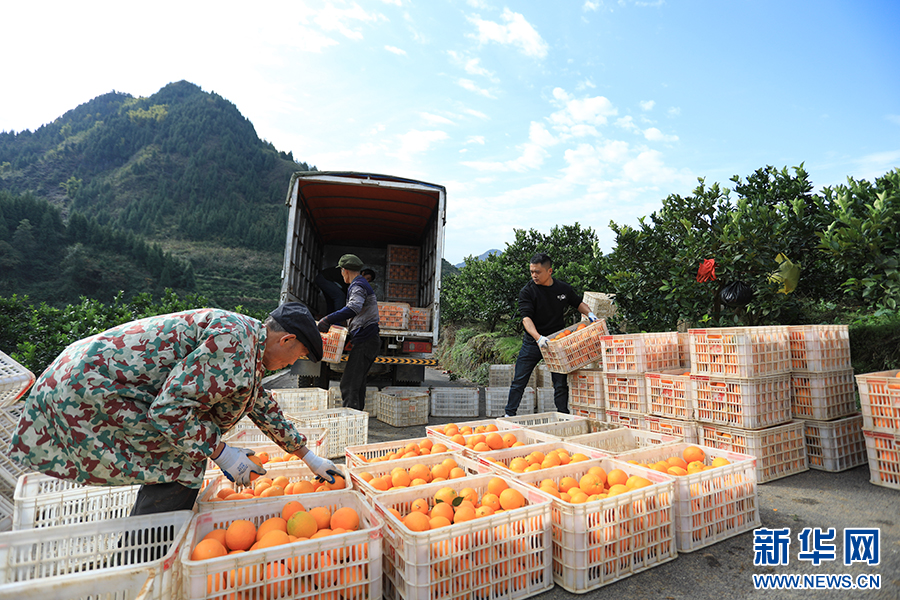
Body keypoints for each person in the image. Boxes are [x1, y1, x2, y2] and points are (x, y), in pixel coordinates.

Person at [8, 302, 340, 516]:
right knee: (182, 461)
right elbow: (170, 411)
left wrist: (307, 456)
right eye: (296, 356)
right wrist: (222, 452)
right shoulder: (233, 344)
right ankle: (144, 561)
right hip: (89, 388)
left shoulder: (247, 342)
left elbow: (259, 402)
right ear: (286, 340)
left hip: (90, 379)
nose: (293, 362)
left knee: (183, 455)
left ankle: (144, 552)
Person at [505, 253, 599, 416]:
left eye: (538, 272)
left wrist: (590, 314)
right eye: (532, 271)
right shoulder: (527, 292)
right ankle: (509, 413)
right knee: (520, 379)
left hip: (557, 341)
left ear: (549, 271)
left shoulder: (563, 289)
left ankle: (563, 414)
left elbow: (577, 303)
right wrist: (538, 338)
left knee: (560, 382)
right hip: (534, 342)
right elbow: (526, 319)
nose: (534, 275)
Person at [317, 254, 380, 412]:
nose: (341, 274)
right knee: (357, 382)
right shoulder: (360, 283)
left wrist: (328, 319)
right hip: (367, 340)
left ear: (345, 270)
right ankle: (356, 417)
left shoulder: (358, 285)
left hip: (366, 340)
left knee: (349, 383)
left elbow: (354, 308)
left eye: (341, 271)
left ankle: (350, 419)